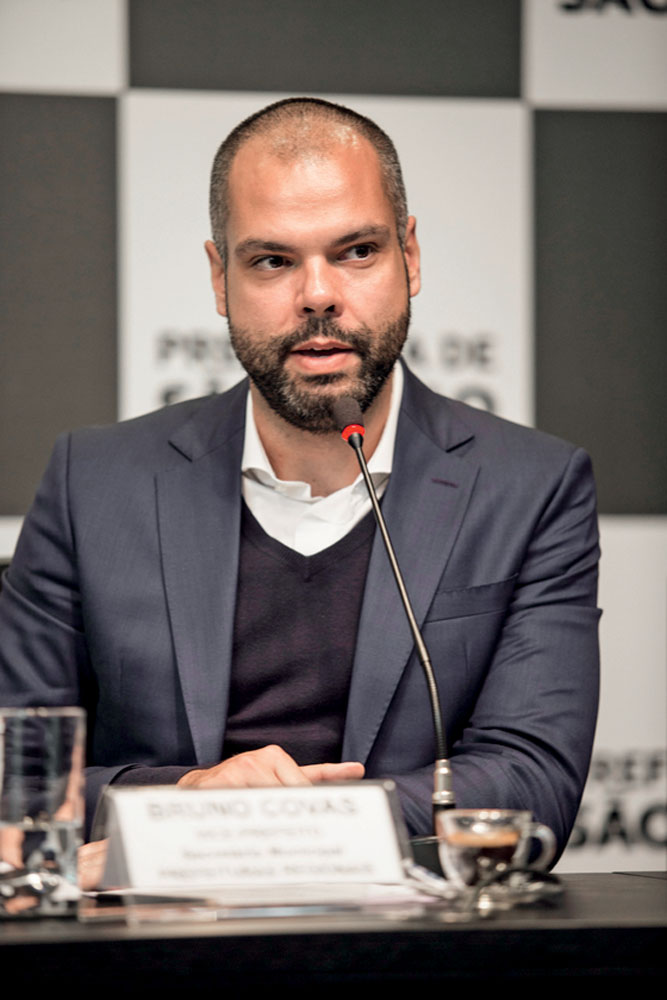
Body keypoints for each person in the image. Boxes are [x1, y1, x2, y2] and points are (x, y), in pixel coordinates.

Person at [0, 98, 600, 859]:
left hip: (408, 953)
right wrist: (188, 798)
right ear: (220, 279)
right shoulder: (93, 483)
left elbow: (533, 781)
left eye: (355, 252)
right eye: (273, 261)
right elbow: (18, 778)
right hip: (156, 948)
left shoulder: (534, 488)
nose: (317, 295)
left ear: (409, 257)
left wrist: (292, 826)